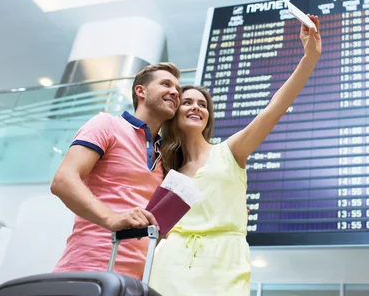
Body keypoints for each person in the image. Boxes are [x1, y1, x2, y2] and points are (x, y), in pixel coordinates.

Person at [148, 16, 321, 295]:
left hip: (224, 263)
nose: (196, 108)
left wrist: (309, 58)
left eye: (202, 104)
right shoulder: (168, 171)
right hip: (169, 265)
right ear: (175, 113)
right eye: (188, 102)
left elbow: (274, 108)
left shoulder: (230, 152)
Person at [51, 62, 181, 280]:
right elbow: (63, 180)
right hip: (88, 270)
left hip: (139, 280)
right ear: (141, 90)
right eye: (166, 84)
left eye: (178, 89)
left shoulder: (166, 156)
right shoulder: (107, 124)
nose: (175, 92)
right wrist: (110, 218)